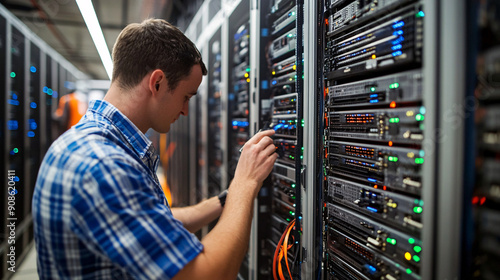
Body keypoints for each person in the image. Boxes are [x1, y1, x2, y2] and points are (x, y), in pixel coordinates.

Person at [32, 18, 277, 279]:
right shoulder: (104, 165)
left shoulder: (88, 143)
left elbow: (152, 219)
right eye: (185, 97)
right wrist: (245, 183)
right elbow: (208, 275)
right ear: (157, 82)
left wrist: (226, 199)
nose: (185, 110)